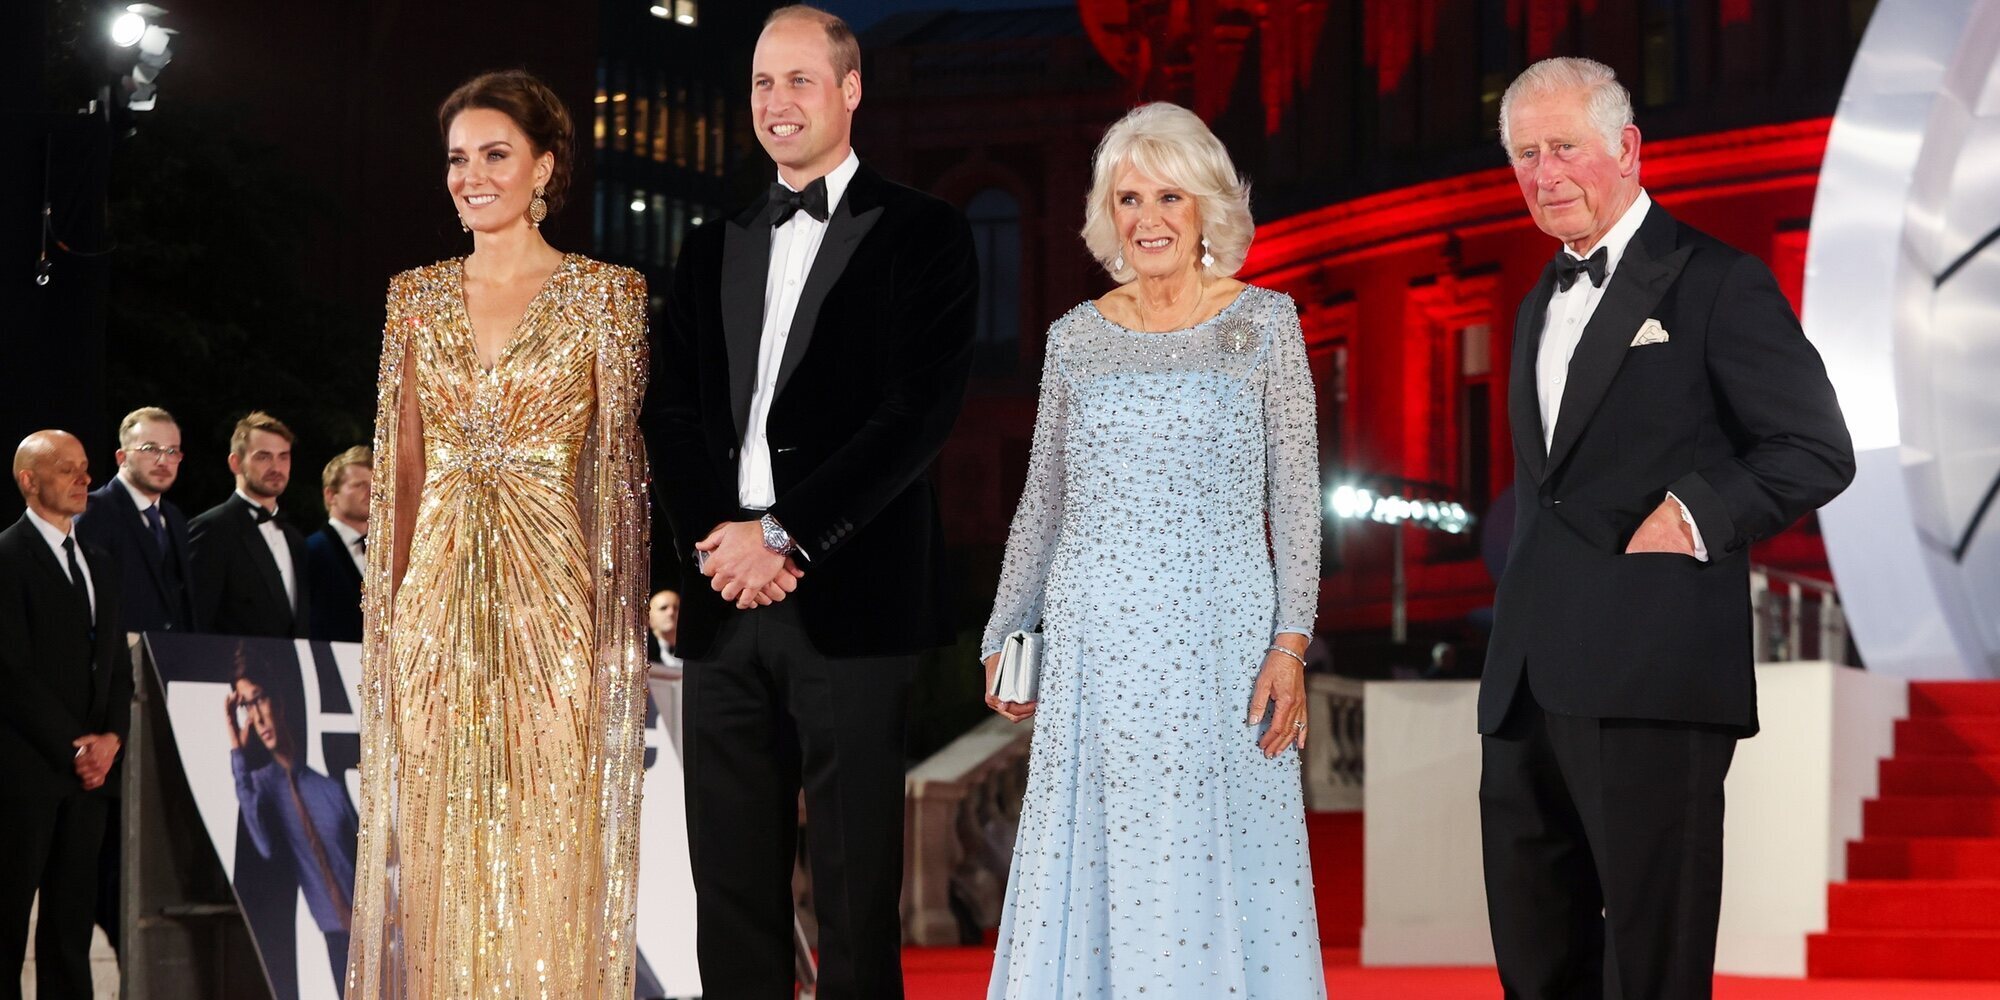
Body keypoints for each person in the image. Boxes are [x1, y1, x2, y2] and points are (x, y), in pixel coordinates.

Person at [1479, 57, 1854, 999]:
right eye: (1526, 154)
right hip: (1527, 684)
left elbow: (1815, 447)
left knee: (1652, 965)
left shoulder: (1717, 282)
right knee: (1535, 958)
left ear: (1628, 148)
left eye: (1564, 147)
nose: (1545, 173)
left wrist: (1694, 512)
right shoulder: (1534, 303)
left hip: (1655, 671)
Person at [643, 6, 978, 996]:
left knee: (854, 887)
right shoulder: (709, 246)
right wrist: (717, 542)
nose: (775, 103)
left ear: (849, 89)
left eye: (797, 80)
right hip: (721, 601)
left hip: (854, 599)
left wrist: (785, 535)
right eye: (759, 84)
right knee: (732, 887)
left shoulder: (926, 232)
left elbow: (916, 415)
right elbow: (671, 409)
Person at [978, 101, 1325, 999]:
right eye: (1129, 200)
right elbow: (1041, 505)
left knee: (1218, 851)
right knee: (1102, 852)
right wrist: (1004, 629)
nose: (1149, 219)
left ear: (1208, 205)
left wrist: (1291, 644)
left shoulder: (1267, 326)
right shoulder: (1073, 339)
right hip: (1097, 645)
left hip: (1224, 639)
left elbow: (1295, 502)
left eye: (1169, 195)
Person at [345, 69, 651, 999]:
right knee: (442, 843)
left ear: (543, 166)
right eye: (456, 159)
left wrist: (613, 636)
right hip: (433, 603)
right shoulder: (414, 297)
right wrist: (387, 621)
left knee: (545, 836)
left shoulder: (610, 295)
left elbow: (619, 485)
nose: (471, 175)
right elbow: (399, 471)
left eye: (494, 154)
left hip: (554, 605)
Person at [0, 431, 129, 1000]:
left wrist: (112, 739)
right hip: (26, 774)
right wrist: (75, 746)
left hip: (90, 780)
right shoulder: (6, 556)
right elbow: (9, 670)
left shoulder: (100, 561)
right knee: (5, 927)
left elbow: (115, 666)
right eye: (66, 469)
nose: (83, 479)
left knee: (70, 929)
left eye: (84, 469)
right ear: (29, 481)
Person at [73, 405, 198, 954]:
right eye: (152, 449)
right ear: (123, 456)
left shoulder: (172, 518)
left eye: (172, 451)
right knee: (109, 846)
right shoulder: (96, 511)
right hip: (111, 699)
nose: (164, 460)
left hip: (165, 693)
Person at [226, 649, 359, 995]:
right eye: (246, 707)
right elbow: (265, 844)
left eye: (260, 699)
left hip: (373, 931)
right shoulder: (261, 787)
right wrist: (236, 751)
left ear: (277, 700)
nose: (256, 716)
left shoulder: (328, 788)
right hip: (332, 940)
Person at [189, 412, 312, 639]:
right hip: (232, 671)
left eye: (283, 457)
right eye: (263, 457)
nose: (277, 467)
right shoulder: (212, 529)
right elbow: (197, 619)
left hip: (292, 670)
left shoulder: (295, 540)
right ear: (235, 462)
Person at [306, 447, 371, 642]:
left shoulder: (389, 554)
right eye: (359, 485)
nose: (371, 491)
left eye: (374, 484)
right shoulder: (311, 551)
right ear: (330, 495)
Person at [646, 587, 681, 669]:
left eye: (676, 608)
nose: (671, 612)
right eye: (663, 608)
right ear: (649, 618)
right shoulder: (642, 655)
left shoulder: (696, 654)